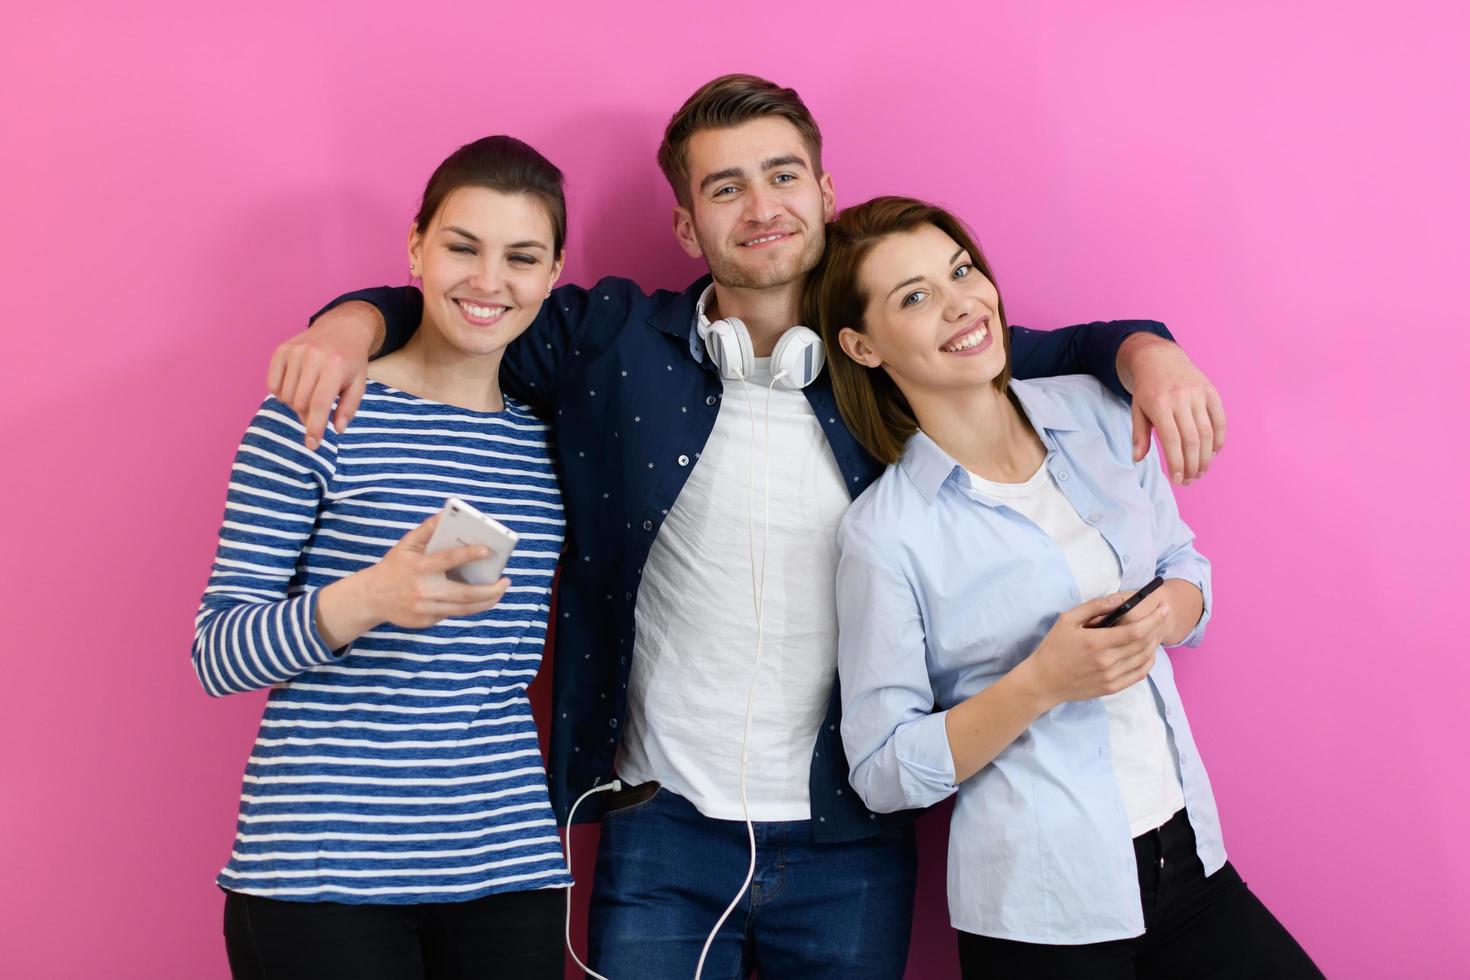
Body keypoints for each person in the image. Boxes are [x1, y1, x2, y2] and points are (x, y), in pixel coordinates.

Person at [267, 75, 1227, 978]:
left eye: (783, 175)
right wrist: (348, 324)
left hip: (847, 835)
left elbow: (1061, 346)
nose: (762, 206)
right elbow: (475, 299)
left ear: (824, 191)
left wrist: (1153, 356)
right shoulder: (608, 340)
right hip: (659, 827)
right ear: (687, 223)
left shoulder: (892, 349)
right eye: (726, 188)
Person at [810, 196, 1319, 979]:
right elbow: (881, 771)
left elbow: (1186, 568)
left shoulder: (1105, 414)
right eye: (914, 298)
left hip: (1188, 859)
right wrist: (1042, 682)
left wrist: (1159, 619)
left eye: (961, 270)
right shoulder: (887, 533)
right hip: (1041, 912)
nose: (961, 305)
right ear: (863, 345)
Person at [192, 136, 573, 979]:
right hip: (321, 877)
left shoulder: (548, 444)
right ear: (415, 250)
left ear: (551, 276)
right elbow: (215, 652)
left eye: (521, 257)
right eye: (461, 247)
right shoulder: (316, 414)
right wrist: (368, 596)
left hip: (506, 868)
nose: (488, 281)